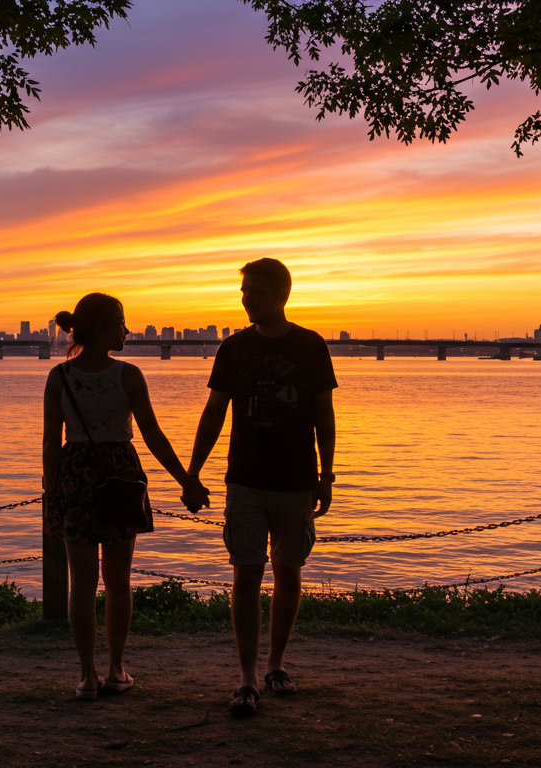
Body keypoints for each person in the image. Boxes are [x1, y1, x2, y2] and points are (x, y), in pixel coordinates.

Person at [185, 258, 337, 716]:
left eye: (253, 291)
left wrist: (326, 475)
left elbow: (323, 415)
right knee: (246, 575)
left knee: (288, 572)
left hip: (295, 480)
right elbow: (214, 413)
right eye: (244, 290)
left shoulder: (311, 346)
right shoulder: (234, 348)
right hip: (245, 480)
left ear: (278, 294)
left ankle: (275, 665)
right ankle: (247, 678)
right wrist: (193, 472)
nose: (245, 298)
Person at [42, 292, 203, 700]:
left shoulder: (59, 377)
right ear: (99, 329)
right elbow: (153, 436)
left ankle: (86, 676)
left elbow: (50, 442)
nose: (127, 329)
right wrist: (185, 480)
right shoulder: (128, 375)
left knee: (81, 582)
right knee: (118, 581)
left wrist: (52, 491)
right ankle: (116, 670)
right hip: (119, 474)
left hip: (74, 475)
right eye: (119, 322)